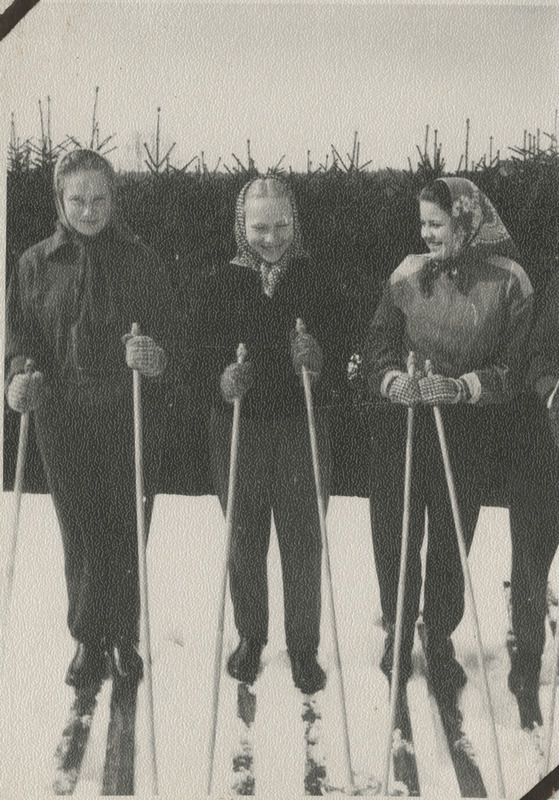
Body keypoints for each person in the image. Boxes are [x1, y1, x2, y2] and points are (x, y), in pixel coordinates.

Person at [5, 149, 174, 688]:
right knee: (78, 529)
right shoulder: (35, 263)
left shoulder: (140, 259)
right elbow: (19, 338)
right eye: (77, 199)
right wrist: (17, 377)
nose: (89, 209)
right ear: (59, 200)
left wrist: (154, 354)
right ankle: (86, 637)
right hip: (63, 414)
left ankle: (123, 636)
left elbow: (171, 334)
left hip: (127, 413)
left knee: (126, 526)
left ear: (113, 198)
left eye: (99, 198)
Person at [363, 177, 533, 698]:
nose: (426, 234)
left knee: (451, 535)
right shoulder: (407, 274)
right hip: (407, 423)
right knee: (398, 528)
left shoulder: (509, 281)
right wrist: (395, 381)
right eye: (422, 224)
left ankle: (438, 636)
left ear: (465, 222)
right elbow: (378, 347)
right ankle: (398, 629)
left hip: (466, 428)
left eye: (436, 224)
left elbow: (515, 366)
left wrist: (462, 387)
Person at [189, 176, 338, 695]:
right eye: (259, 228)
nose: (271, 238)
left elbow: (342, 354)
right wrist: (221, 381)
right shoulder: (217, 283)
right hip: (238, 427)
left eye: (280, 226)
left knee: (302, 538)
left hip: (300, 425)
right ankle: (251, 635)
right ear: (240, 225)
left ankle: (303, 644)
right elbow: (197, 359)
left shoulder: (315, 278)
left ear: (294, 223)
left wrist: (317, 360)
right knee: (245, 537)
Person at [508, 269, 559, 728]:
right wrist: (553, 391)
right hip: (546, 448)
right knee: (531, 561)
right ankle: (526, 665)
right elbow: (537, 354)